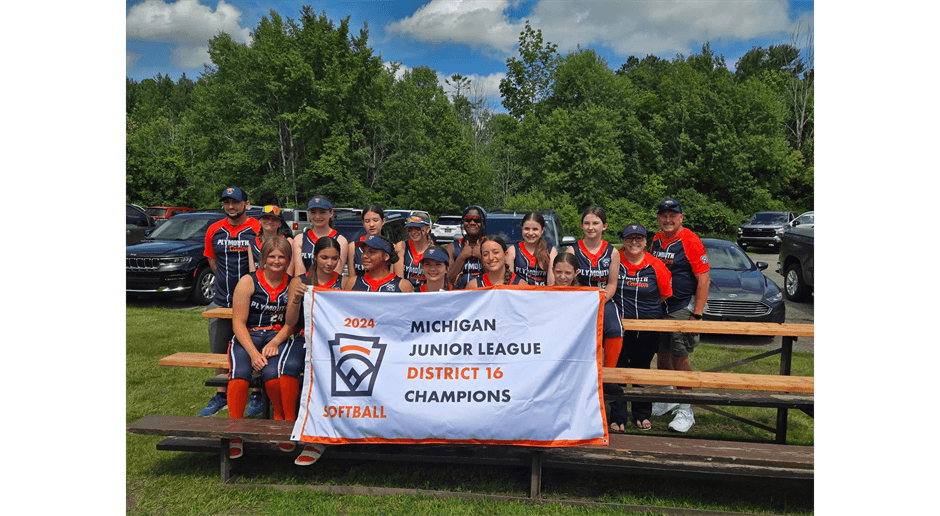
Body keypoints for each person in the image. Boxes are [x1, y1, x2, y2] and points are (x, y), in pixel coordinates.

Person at [225, 237, 296, 460]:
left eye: (281, 256)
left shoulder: (292, 282)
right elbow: (238, 322)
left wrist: (275, 342)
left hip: (276, 336)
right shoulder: (248, 281)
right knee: (240, 375)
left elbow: (291, 323)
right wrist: (253, 352)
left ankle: (280, 420)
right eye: (271, 256)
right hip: (249, 335)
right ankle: (235, 432)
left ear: (288, 259)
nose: (276, 261)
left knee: (274, 374)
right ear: (263, 258)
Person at [200, 186, 264, 417]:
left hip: (253, 300)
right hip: (222, 299)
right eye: (227, 202)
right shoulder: (214, 230)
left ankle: (257, 393)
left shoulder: (257, 228)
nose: (231, 207)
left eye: (235, 202)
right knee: (219, 348)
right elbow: (212, 260)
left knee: (254, 345)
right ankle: (221, 393)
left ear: (246, 204)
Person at [649, 198, 711, 433]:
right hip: (659, 307)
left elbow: (704, 279)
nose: (667, 219)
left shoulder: (690, 240)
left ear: (681, 217)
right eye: (663, 215)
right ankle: (667, 398)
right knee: (661, 352)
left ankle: (686, 409)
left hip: (682, 307)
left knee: (679, 355)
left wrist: (697, 314)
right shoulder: (655, 239)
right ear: (658, 218)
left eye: (672, 215)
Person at [281, 236, 343, 466]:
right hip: (305, 337)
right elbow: (289, 321)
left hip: (332, 342)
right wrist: (296, 299)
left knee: (326, 376)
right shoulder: (300, 280)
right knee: (289, 368)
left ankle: (321, 429)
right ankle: (289, 426)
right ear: (314, 257)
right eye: (324, 257)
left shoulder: (344, 282)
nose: (329, 262)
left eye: (334, 258)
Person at [608, 224, 673, 432]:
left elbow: (664, 294)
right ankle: (618, 416)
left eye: (639, 239)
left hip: (647, 328)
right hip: (618, 329)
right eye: (629, 239)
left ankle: (641, 414)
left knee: (642, 371)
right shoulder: (615, 259)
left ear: (646, 242)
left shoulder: (656, 265)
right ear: (623, 241)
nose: (634, 243)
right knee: (617, 371)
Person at [551, 253, 624, 390]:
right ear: (553, 270)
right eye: (558, 272)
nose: (562, 277)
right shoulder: (544, 294)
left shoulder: (586, 295)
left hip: (579, 354)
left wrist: (597, 296)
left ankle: (607, 381)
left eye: (568, 273)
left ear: (576, 273)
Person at [566, 206, 623, 373]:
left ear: (604, 226)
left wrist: (603, 298)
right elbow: (567, 280)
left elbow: (612, 283)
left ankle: (609, 375)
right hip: (579, 300)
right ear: (581, 225)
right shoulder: (573, 250)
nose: (591, 227)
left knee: (615, 328)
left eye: (595, 223)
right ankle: (579, 372)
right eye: (587, 223)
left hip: (602, 299)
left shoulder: (612, 252)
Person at [293, 195, 348, 277]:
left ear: (331, 213)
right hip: (306, 287)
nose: (317, 216)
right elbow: (299, 275)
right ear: (308, 213)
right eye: (313, 212)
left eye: (322, 212)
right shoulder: (300, 239)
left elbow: (336, 276)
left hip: (330, 288)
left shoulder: (340, 240)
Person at [345, 235, 415, 292]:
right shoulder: (352, 283)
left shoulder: (403, 286)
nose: (364, 256)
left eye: (371, 252)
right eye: (364, 251)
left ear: (386, 256)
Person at [505, 212, 558, 286]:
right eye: (526, 229)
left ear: (542, 230)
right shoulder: (513, 250)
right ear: (522, 228)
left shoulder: (551, 251)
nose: (530, 233)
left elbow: (551, 284)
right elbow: (509, 282)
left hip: (543, 295)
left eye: (535, 229)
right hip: (519, 295)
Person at [445, 205, 487, 289]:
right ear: (463, 223)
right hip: (459, 296)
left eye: (476, 220)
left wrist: (481, 256)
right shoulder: (451, 248)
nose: (472, 223)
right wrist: (462, 257)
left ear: (483, 224)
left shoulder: (491, 245)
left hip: (484, 295)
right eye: (468, 220)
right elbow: (447, 281)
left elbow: (497, 277)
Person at [347, 205, 386, 279]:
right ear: (363, 223)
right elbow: (352, 278)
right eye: (367, 221)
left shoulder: (391, 246)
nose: (371, 224)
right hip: (359, 289)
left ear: (383, 221)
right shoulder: (353, 246)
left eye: (375, 220)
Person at [251, 205, 294, 272]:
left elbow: (290, 271)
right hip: (258, 281)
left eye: (274, 219)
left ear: (280, 224)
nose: (270, 221)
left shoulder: (288, 242)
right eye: (266, 218)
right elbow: (252, 271)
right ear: (260, 221)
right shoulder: (252, 242)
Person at [395, 214, 433, 288]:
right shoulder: (402, 246)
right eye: (410, 229)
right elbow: (399, 279)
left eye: (417, 228)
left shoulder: (433, 251)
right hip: (406, 292)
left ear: (427, 229)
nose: (413, 232)